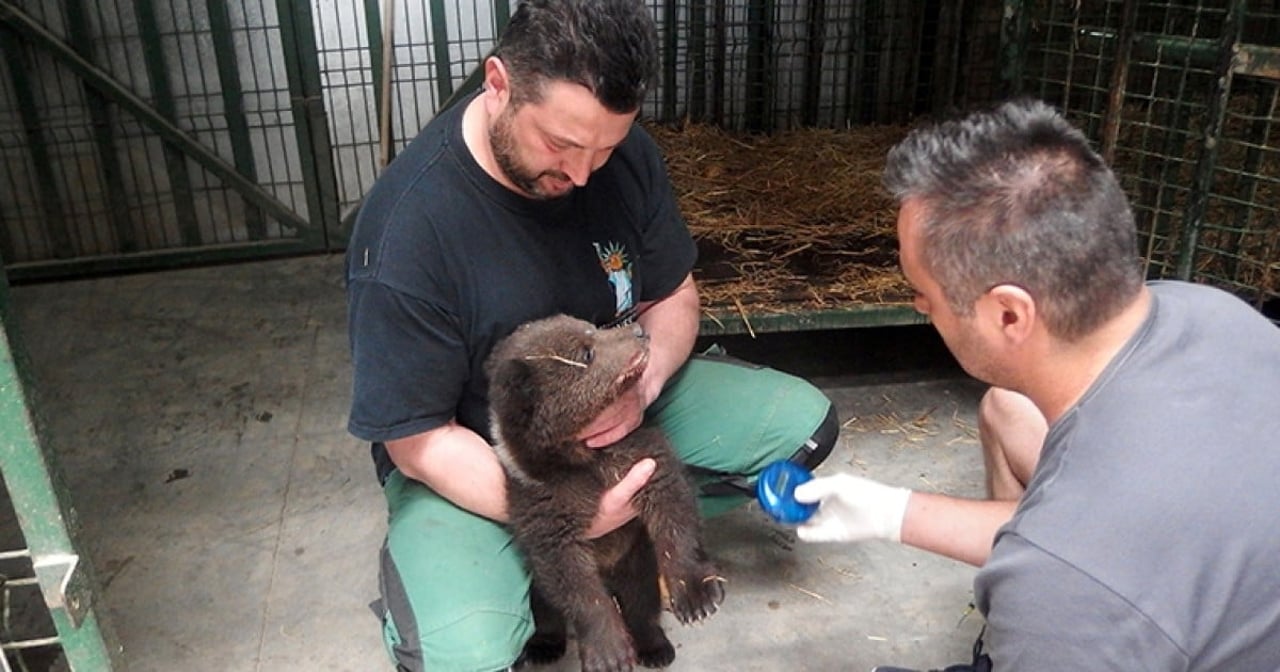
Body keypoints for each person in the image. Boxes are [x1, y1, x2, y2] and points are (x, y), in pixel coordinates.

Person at [343, 0, 837, 669]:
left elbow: (674, 295)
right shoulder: (410, 232)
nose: (581, 175)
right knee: (464, 653)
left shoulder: (622, 156)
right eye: (562, 145)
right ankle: (496, 568)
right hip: (480, 454)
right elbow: (416, 441)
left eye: (603, 150)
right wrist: (574, 518)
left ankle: (633, 523)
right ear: (498, 84)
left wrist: (647, 381)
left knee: (802, 427)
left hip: (618, 409)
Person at [793, 98, 1280, 671]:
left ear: (1008, 316)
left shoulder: (1067, 587)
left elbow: (1080, 555)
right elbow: (1089, 538)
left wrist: (1046, 594)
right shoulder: (1212, 312)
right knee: (1009, 409)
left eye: (921, 290)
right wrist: (891, 511)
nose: (918, 305)